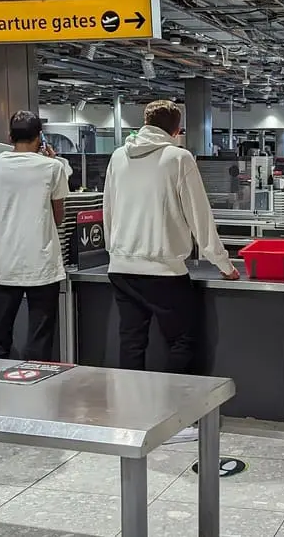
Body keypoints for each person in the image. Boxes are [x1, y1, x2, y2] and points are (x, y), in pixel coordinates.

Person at [103, 100, 238, 443]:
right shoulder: (179, 158)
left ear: (144, 123)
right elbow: (200, 217)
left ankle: (131, 418)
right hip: (162, 270)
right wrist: (223, 263)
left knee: (131, 342)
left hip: (121, 267)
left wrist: (114, 250)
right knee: (182, 340)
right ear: (177, 130)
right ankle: (172, 419)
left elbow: (108, 209)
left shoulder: (119, 156)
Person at [0, 112, 69, 361]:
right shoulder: (53, 167)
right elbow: (58, 217)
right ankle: (36, 392)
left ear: (9, 136)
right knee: (40, 335)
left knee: (0, 333)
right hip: (42, 261)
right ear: (40, 137)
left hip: (4, 261)